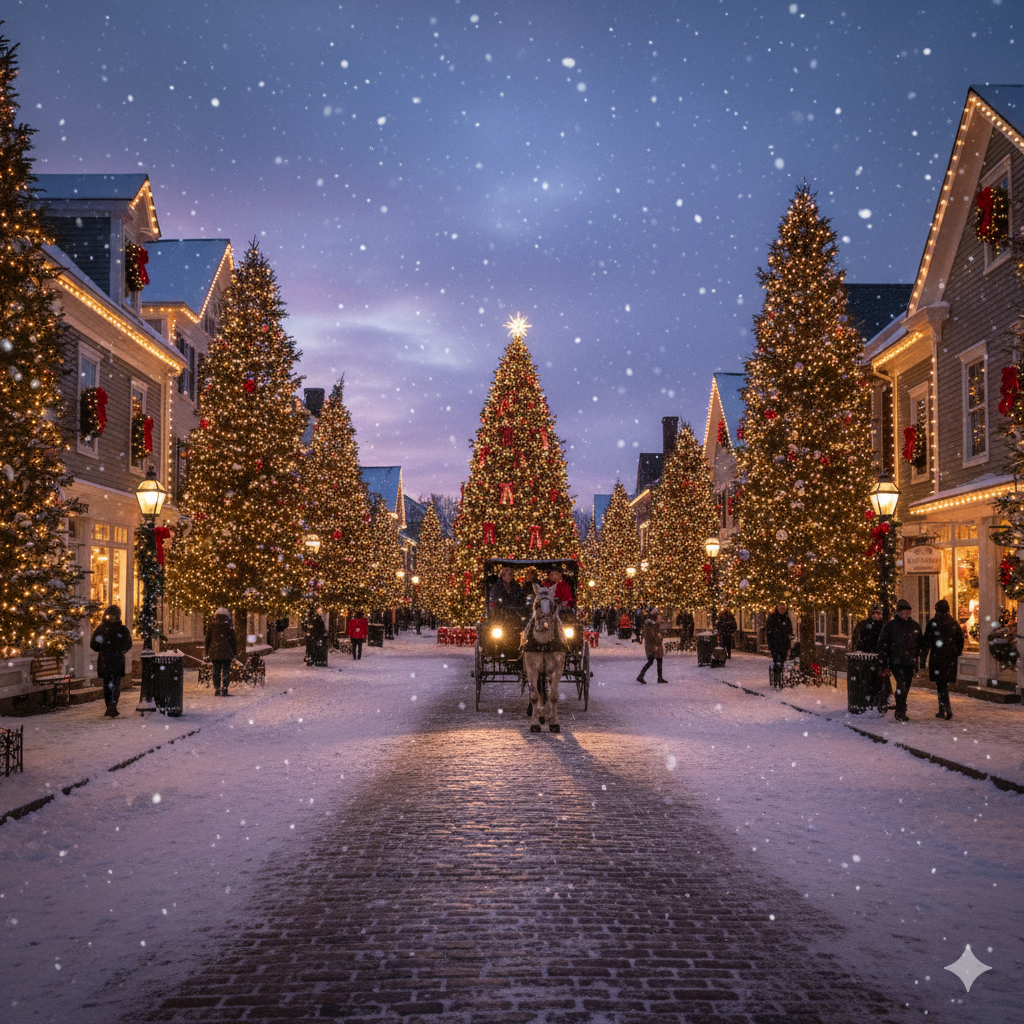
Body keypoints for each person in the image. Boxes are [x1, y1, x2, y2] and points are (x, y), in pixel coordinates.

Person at [878, 598, 923, 723]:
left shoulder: (914, 626)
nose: (906, 614)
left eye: (908, 612)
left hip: (909, 662)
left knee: (905, 686)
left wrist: (916, 656)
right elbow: (883, 644)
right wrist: (884, 661)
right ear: (898, 612)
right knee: (901, 685)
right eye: (904, 612)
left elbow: (919, 643)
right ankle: (901, 711)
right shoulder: (890, 626)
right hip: (896, 662)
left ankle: (901, 706)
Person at [921, 598, 963, 721]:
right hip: (949, 658)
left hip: (938, 657)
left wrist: (923, 659)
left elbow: (926, 642)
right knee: (943, 683)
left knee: (941, 684)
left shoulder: (934, 623)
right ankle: (942, 708)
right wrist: (956, 653)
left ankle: (946, 707)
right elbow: (960, 640)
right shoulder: (953, 623)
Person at [90, 605, 133, 718]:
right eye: (111, 615)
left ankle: (112, 706)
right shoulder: (102, 629)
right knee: (109, 685)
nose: (113, 618)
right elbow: (94, 645)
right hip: (108, 660)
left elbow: (128, 643)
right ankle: (110, 706)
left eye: (115, 615)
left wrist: (119, 650)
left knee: (114, 684)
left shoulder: (120, 630)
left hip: (114, 660)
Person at [205, 607, 238, 697]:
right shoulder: (229, 626)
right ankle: (224, 688)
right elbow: (233, 640)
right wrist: (234, 652)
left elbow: (208, 639)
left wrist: (207, 652)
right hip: (226, 652)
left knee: (216, 670)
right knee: (226, 671)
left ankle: (217, 688)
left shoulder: (212, 625)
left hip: (215, 652)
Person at [765, 602, 794, 686]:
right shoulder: (772, 618)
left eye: (783, 608)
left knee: (782, 662)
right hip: (775, 644)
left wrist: (788, 641)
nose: (782, 610)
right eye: (780, 608)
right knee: (776, 661)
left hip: (784, 645)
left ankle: (780, 679)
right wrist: (771, 644)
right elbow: (769, 632)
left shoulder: (787, 619)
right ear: (777, 608)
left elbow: (789, 631)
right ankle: (776, 679)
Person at [638, 608, 667, 683]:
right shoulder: (650, 625)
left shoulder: (651, 624)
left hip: (653, 645)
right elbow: (652, 635)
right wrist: (658, 639)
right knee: (652, 660)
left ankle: (658, 677)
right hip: (653, 645)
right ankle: (641, 676)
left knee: (657, 660)